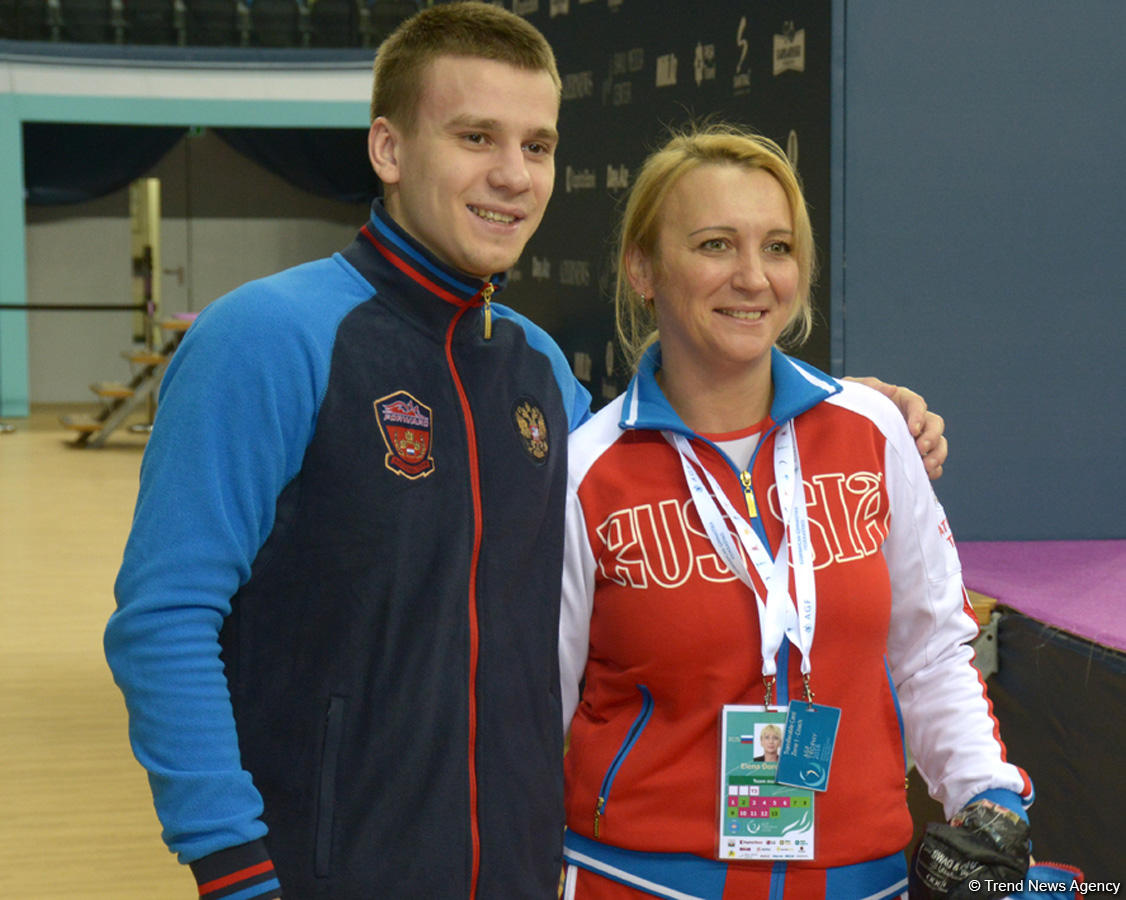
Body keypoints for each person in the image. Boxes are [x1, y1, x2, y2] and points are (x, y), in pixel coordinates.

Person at [104, 6, 947, 898]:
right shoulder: (268, 337)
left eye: (537, 146)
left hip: (517, 868)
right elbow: (164, 619)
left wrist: (856, 415)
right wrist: (231, 862)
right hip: (321, 870)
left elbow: (679, 460)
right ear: (388, 150)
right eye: (476, 137)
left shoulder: (539, 371)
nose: (512, 176)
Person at [557, 125, 1032, 899]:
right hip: (642, 881)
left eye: (777, 248)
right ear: (642, 268)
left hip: (863, 878)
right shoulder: (587, 472)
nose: (752, 277)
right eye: (715, 245)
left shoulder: (874, 431)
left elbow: (932, 648)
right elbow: (534, 707)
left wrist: (986, 793)